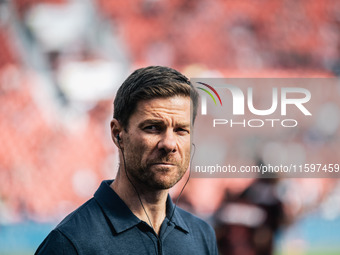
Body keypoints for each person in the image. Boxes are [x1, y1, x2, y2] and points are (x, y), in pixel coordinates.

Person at [35, 66, 218, 254]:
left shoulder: (202, 236)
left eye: (181, 130)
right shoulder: (70, 242)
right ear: (117, 134)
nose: (169, 144)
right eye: (153, 127)